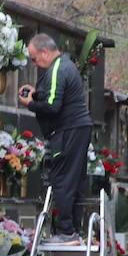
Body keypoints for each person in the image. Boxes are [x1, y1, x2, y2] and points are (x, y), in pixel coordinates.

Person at [18, 32, 94, 243]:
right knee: (75, 179)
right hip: (78, 128)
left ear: (45, 51)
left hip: (69, 130)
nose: (35, 64)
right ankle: (73, 229)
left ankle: (65, 232)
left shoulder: (58, 68)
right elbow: (55, 96)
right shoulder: (66, 65)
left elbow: (53, 106)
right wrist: (37, 94)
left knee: (62, 178)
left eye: (34, 59)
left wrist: (30, 104)